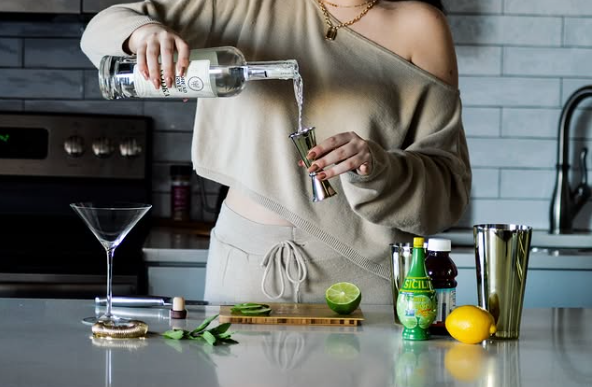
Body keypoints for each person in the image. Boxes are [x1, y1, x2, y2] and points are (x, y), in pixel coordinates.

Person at [81, 0, 471, 305]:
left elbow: (448, 188)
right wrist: (145, 34)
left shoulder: (422, 27)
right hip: (245, 269)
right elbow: (103, 26)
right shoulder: (241, 7)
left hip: (366, 277)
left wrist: (379, 168)